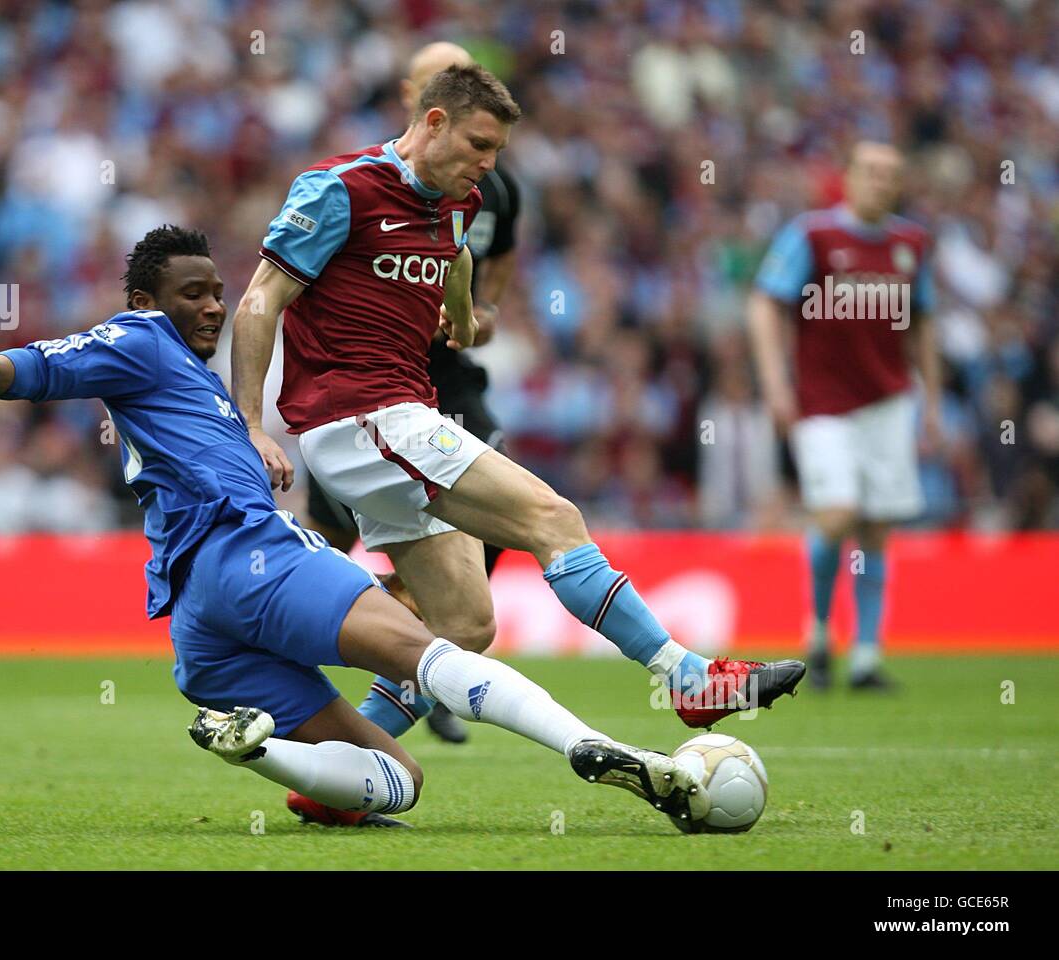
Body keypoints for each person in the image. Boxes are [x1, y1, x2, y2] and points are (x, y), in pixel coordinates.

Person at [0, 224, 712, 829]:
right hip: (246, 557)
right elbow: (43, 361)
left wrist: (253, 445)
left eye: (217, 293)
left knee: (395, 782)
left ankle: (254, 744)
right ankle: (596, 749)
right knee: (429, 645)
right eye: (192, 294)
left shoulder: (187, 384)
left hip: (202, 630)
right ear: (146, 301)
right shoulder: (140, 339)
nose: (212, 307)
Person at [230, 65, 805, 753]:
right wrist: (253, 425)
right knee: (552, 518)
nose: (488, 164)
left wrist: (465, 317)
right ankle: (686, 677)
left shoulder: (459, 204)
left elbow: (458, 260)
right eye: (479, 144)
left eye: (497, 151)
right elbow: (261, 299)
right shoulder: (340, 188)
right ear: (433, 121)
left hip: (399, 420)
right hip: (362, 419)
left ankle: (342, 772)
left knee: (466, 623)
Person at [304, 41, 523, 746]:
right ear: (419, 100)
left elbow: (492, 297)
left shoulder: (497, 192)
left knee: (496, 523)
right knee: (331, 544)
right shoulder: (358, 183)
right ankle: (317, 649)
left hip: (446, 386)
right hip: (362, 394)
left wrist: (468, 322)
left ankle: (432, 659)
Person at [748, 141, 939, 690]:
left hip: (889, 401)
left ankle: (866, 657)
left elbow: (923, 321)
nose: (880, 182)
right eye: (871, 172)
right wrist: (776, 382)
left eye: (891, 175)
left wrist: (930, 398)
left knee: (877, 526)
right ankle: (818, 633)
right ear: (849, 178)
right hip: (823, 402)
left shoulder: (912, 243)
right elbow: (765, 301)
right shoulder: (813, 235)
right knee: (837, 513)